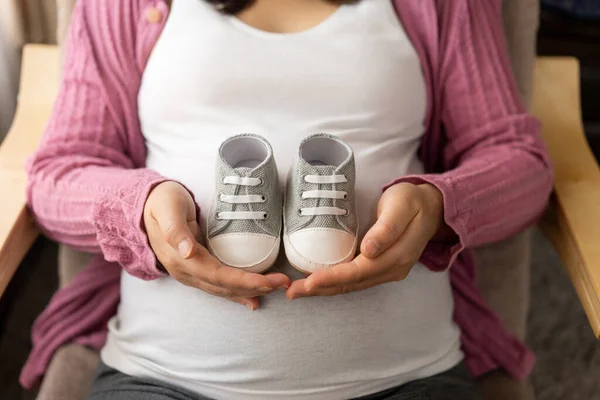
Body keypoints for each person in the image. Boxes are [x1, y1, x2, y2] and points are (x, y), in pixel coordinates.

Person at [23, 0, 553, 399]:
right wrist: (139, 209)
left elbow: (520, 163)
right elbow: (57, 176)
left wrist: (438, 205)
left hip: (406, 377)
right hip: (161, 378)